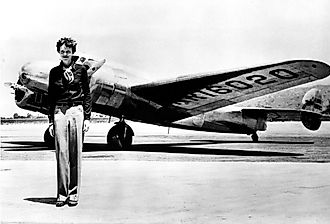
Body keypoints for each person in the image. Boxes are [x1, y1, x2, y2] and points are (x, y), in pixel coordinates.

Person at [48, 37, 92, 207]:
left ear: (73, 52)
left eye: (68, 51)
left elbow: (87, 95)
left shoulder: (81, 70)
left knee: (75, 154)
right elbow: (50, 97)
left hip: (76, 111)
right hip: (59, 111)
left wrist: (87, 118)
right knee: (61, 154)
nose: (65, 54)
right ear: (58, 52)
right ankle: (61, 194)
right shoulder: (54, 72)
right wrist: (51, 121)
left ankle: (73, 194)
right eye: (62, 51)